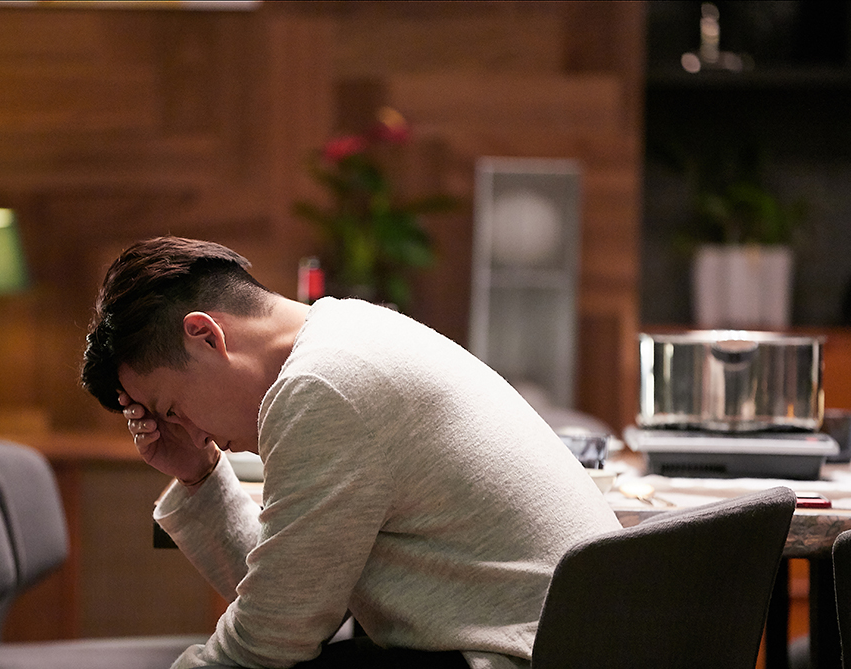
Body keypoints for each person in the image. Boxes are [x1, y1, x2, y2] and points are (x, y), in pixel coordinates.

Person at [81, 237, 622, 669]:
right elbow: (298, 600)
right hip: (549, 647)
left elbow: (273, 637)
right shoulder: (346, 331)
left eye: (173, 409)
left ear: (205, 336)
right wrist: (199, 476)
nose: (191, 434)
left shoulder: (322, 386)